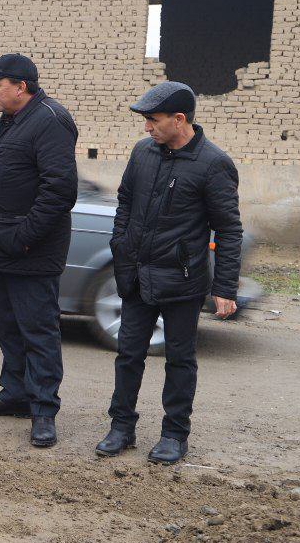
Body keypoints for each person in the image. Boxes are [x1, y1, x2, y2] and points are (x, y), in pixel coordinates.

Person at [95, 82, 241, 465]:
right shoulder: (143, 153)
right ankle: (121, 427)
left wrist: (224, 286)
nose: (147, 128)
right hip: (136, 275)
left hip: (182, 280)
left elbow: (229, 229)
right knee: (128, 355)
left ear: (179, 119)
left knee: (179, 360)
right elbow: (125, 201)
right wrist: (120, 247)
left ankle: (175, 435)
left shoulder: (213, 164)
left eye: (153, 120)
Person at [0, 53, 78, 448]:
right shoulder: (12, 119)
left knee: (38, 331)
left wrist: (24, 238)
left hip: (29, 251)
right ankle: (15, 393)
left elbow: (59, 190)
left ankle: (44, 409)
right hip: (2, 247)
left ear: (21, 87)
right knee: (9, 327)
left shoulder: (50, 120)